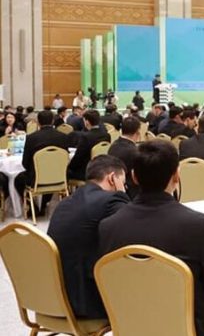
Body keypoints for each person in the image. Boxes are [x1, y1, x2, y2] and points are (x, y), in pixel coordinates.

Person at [99, 141, 204, 336]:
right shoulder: (197, 224)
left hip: (132, 322)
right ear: (176, 176)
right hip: (190, 324)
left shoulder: (108, 227)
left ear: (134, 177)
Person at [47, 156, 130, 319]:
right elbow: (133, 227)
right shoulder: (112, 200)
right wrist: (123, 194)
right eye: (123, 182)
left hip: (56, 299)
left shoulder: (65, 203)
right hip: (88, 303)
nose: (125, 188)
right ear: (112, 178)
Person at [16, 110, 70, 216]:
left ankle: (33, 207)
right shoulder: (63, 136)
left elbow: (25, 163)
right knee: (50, 175)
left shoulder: (31, 138)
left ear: (38, 122)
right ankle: (44, 204)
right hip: (60, 177)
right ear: (53, 121)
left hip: (37, 178)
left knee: (18, 179)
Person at [67, 110, 111, 181]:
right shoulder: (106, 135)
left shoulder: (86, 137)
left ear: (87, 121)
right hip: (102, 169)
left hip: (87, 171)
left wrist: (69, 166)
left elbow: (78, 157)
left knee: (66, 171)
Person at [107, 116, 141, 199]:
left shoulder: (113, 146)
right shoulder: (134, 152)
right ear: (137, 132)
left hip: (112, 187)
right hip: (130, 193)